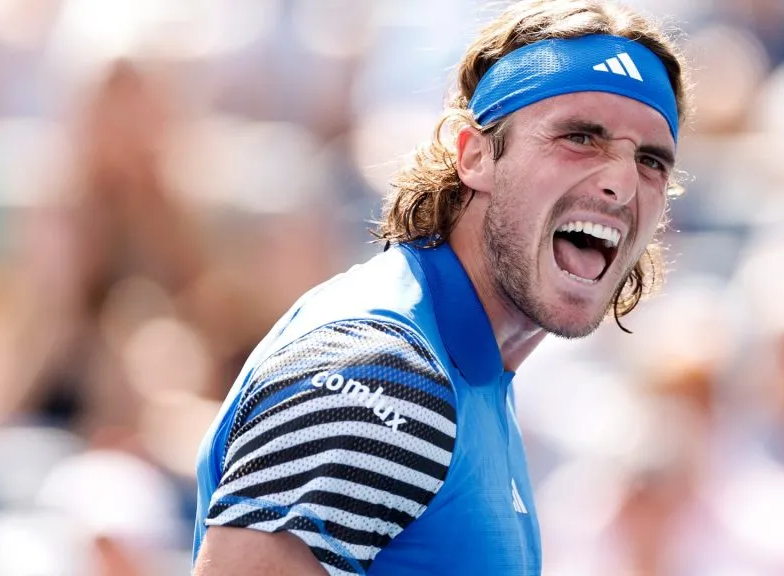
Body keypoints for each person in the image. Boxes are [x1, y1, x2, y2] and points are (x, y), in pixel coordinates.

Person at [191, 0, 691, 574]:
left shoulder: (464, 371)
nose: (622, 183)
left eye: (651, 161)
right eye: (580, 137)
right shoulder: (388, 374)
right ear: (474, 155)